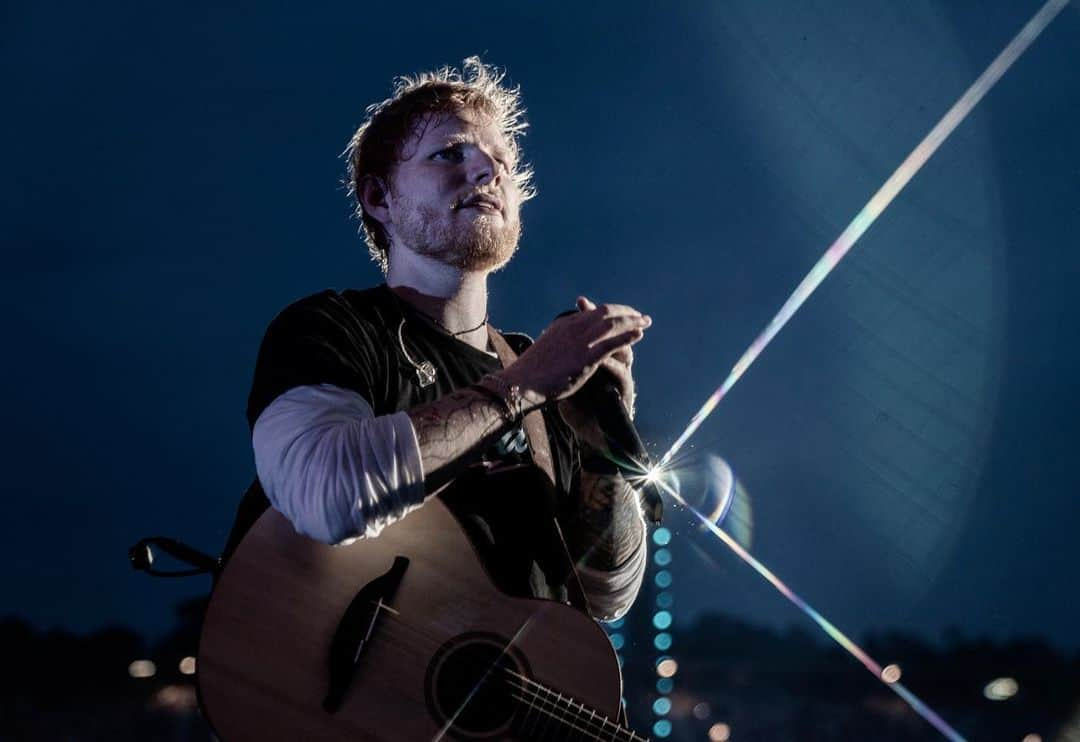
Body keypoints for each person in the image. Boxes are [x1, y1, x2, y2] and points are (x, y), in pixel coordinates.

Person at [224, 57, 650, 621]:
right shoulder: (332, 328)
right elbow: (323, 495)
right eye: (450, 153)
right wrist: (522, 388)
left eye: (501, 158)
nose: (486, 171)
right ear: (380, 200)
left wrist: (603, 448)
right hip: (359, 705)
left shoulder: (545, 372)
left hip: (499, 703)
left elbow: (607, 596)